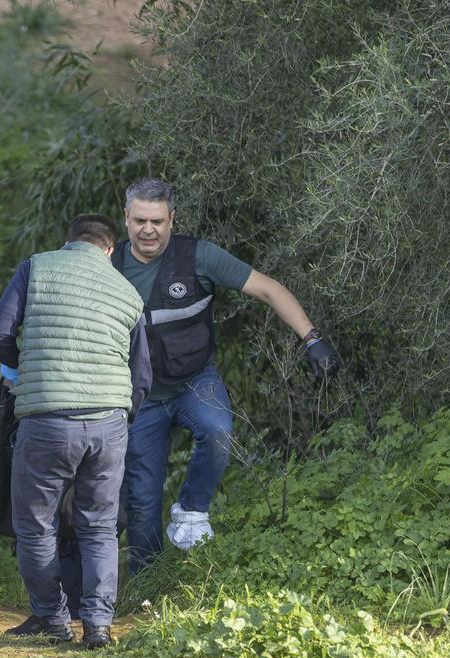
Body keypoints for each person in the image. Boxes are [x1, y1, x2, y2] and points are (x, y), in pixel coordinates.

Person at [113, 178, 340, 573]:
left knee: (218, 431)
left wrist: (312, 339)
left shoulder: (199, 255)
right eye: (140, 221)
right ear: (126, 218)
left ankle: (191, 511)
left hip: (194, 379)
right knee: (142, 501)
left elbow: (269, 289)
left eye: (158, 221)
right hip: (140, 396)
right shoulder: (108, 264)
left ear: (172, 220)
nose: (148, 230)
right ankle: (145, 588)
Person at [0, 214, 151, 649]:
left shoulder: (37, 267)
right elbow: (142, 375)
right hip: (108, 422)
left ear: (69, 242)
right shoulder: (128, 292)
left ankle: (52, 619)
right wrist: (120, 418)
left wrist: (26, 368)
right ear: (110, 250)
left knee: (37, 525)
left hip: (46, 419)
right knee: (99, 526)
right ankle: (98, 625)